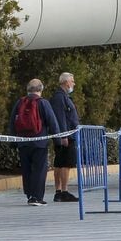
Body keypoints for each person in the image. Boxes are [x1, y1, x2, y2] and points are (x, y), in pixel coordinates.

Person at [8, 79, 60, 206]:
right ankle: (37, 197)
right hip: (39, 142)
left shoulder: (20, 102)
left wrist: (13, 141)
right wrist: (57, 140)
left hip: (23, 142)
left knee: (26, 170)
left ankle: (30, 194)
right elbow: (52, 122)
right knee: (39, 169)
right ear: (40, 89)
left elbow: (12, 123)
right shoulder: (43, 103)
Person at [49, 72, 80, 202]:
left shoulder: (64, 97)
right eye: (72, 81)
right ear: (66, 82)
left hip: (66, 134)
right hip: (66, 136)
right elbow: (60, 118)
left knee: (60, 162)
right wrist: (64, 135)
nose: (73, 83)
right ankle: (63, 191)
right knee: (64, 163)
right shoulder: (59, 97)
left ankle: (60, 191)